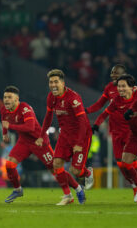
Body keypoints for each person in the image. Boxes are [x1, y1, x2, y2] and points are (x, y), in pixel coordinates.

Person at [94, 75, 137, 205]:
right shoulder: (116, 100)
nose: (120, 89)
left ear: (131, 87)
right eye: (119, 86)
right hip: (128, 134)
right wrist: (96, 124)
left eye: (123, 86)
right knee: (124, 163)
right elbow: (105, 113)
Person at [0, 86, 76, 204]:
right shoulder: (4, 109)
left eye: (9, 97)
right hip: (24, 142)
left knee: (56, 170)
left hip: (39, 141)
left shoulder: (25, 108)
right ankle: (17, 189)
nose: (6, 100)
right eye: (5, 97)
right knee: (9, 164)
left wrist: (10, 127)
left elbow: (29, 127)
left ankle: (75, 190)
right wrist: (5, 134)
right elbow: (4, 120)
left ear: (17, 99)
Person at [36, 69, 93, 205]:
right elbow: (48, 117)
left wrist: (79, 143)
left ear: (63, 83)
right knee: (56, 164)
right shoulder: (51, 97)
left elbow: (82, 122)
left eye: (56, 82)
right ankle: (68, 195)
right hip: (65, 135)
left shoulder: (73, 98)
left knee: (75, 171)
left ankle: (88, 173)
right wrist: (41, 135)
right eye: (51, 82)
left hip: (82, 135)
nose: (53, 85)